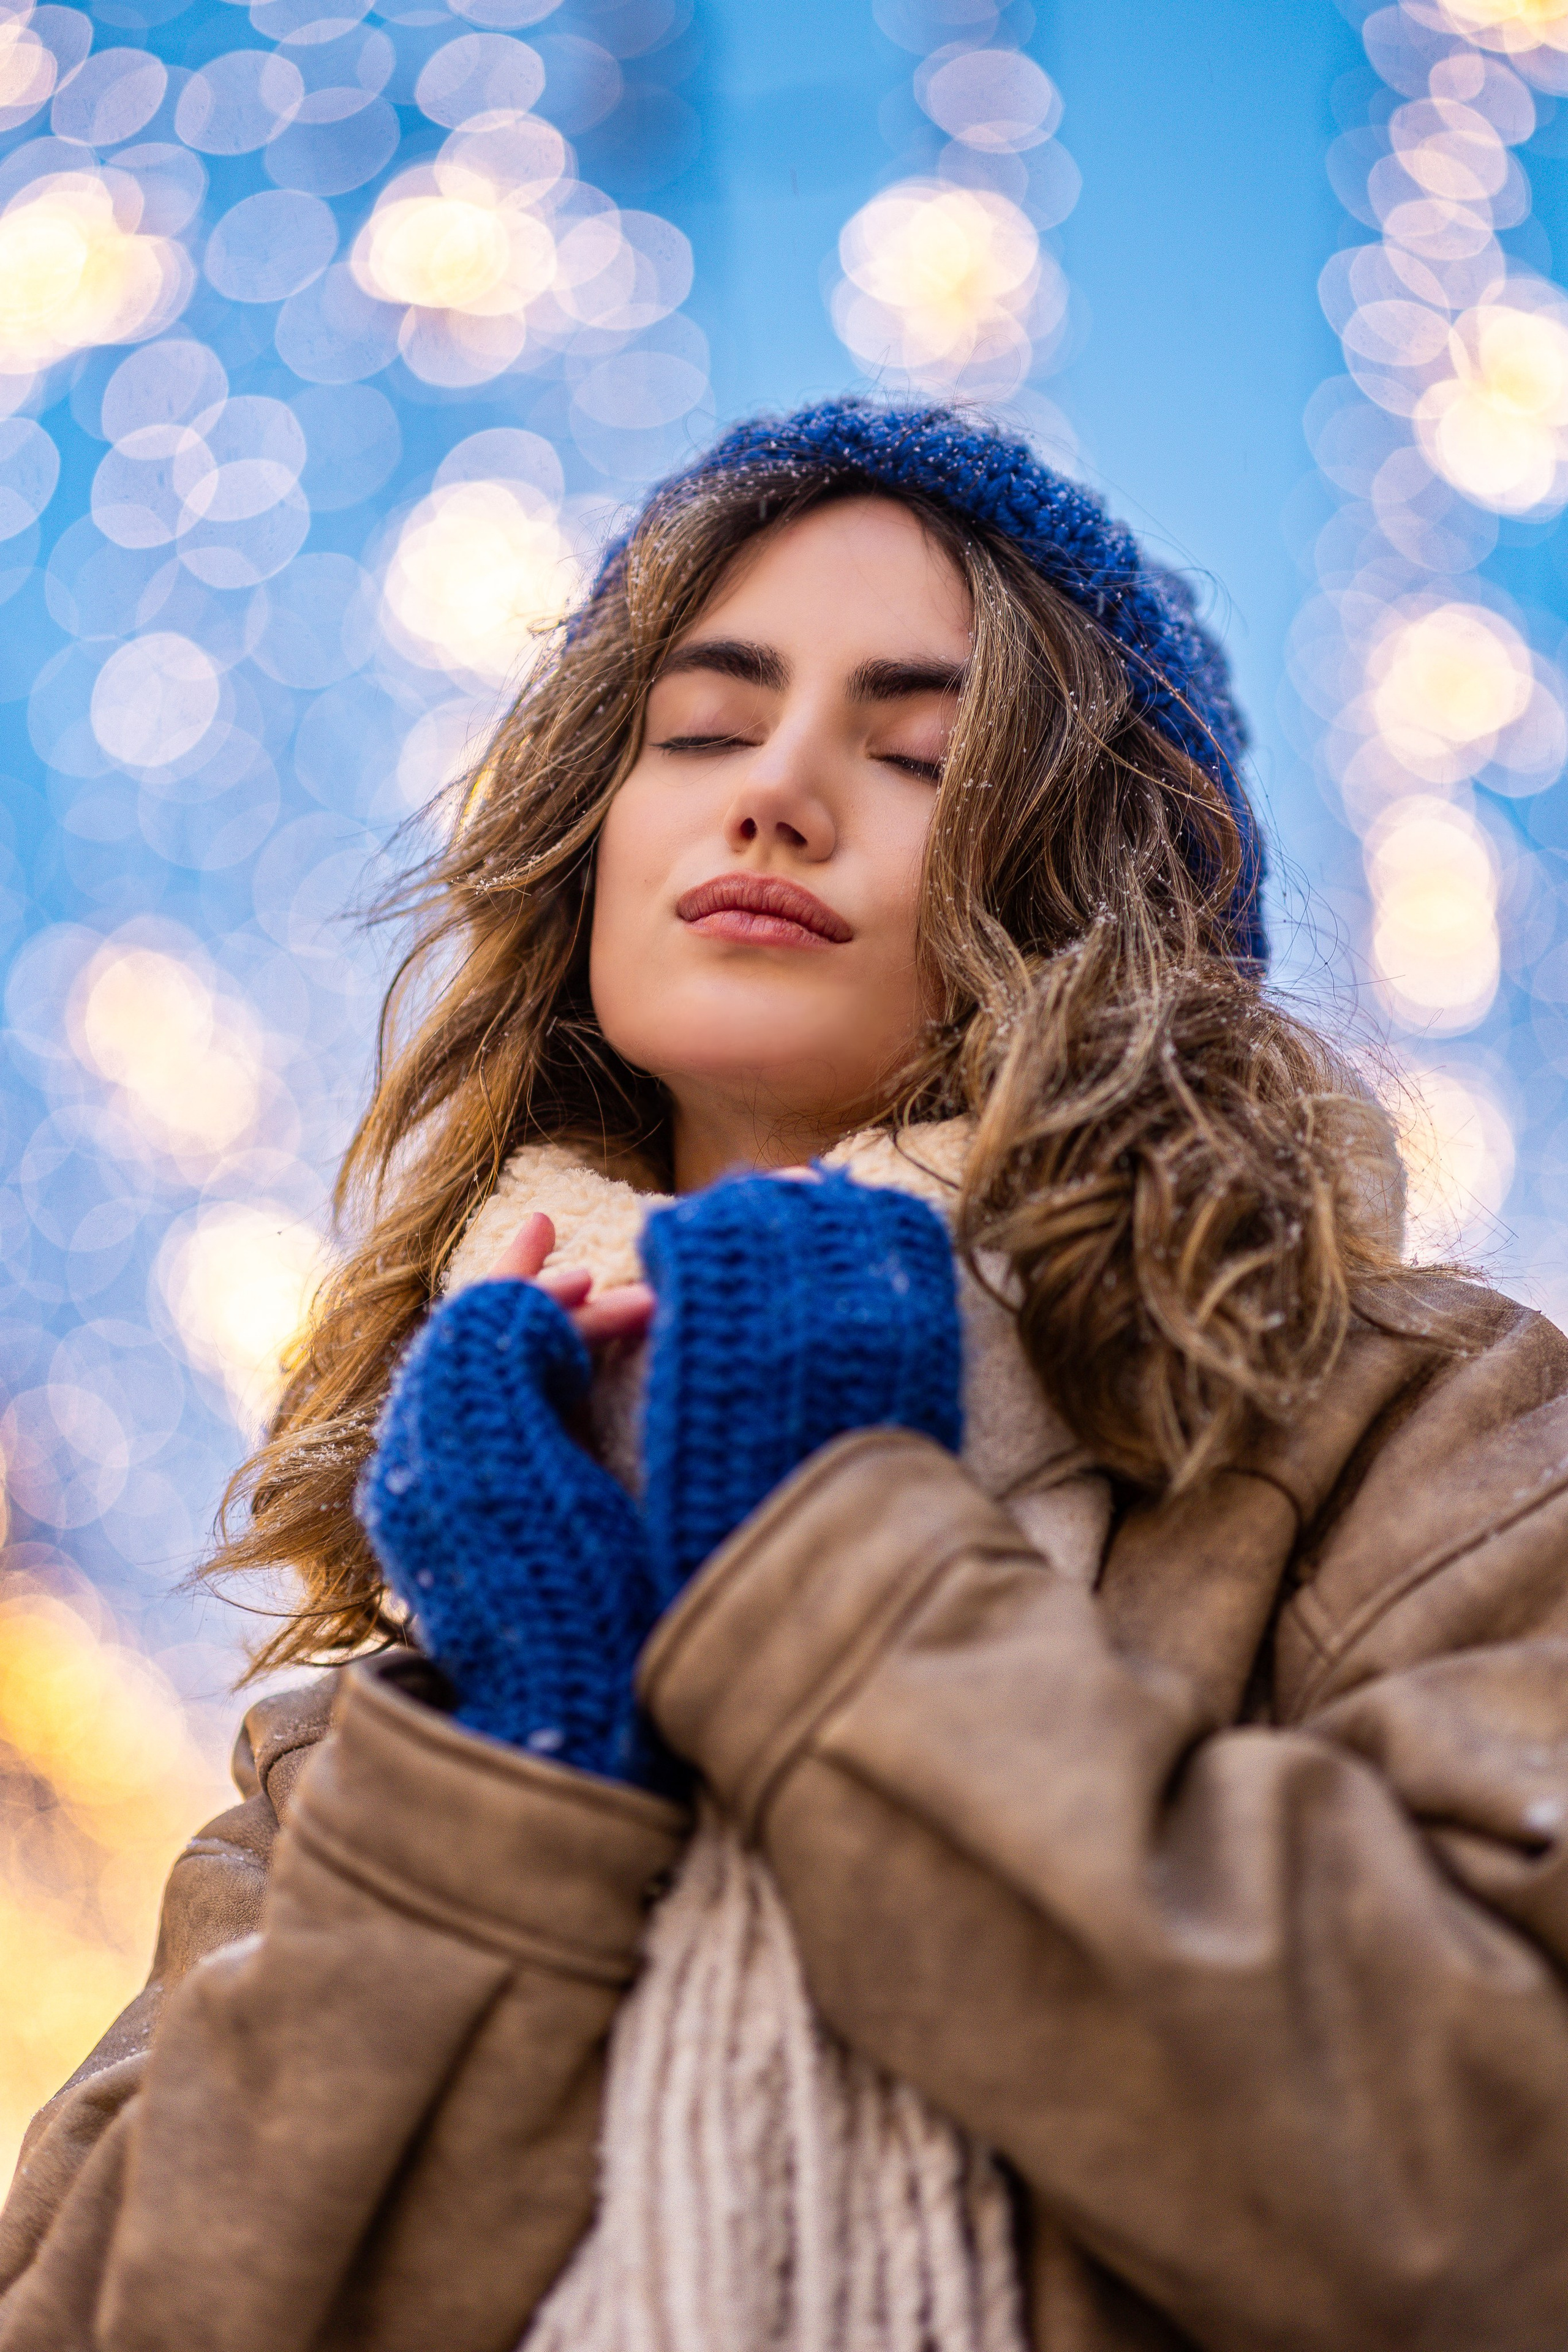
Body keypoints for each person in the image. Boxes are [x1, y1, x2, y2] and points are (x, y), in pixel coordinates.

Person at [3, 398, 1568, 2352]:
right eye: (705, 732)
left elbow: (1500, 2193)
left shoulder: (1418, 1440)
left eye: (916, 752)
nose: (781, 798)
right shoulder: (451, 1615)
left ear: (1106, 896)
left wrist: (830, 1578)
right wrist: (508, 1776)